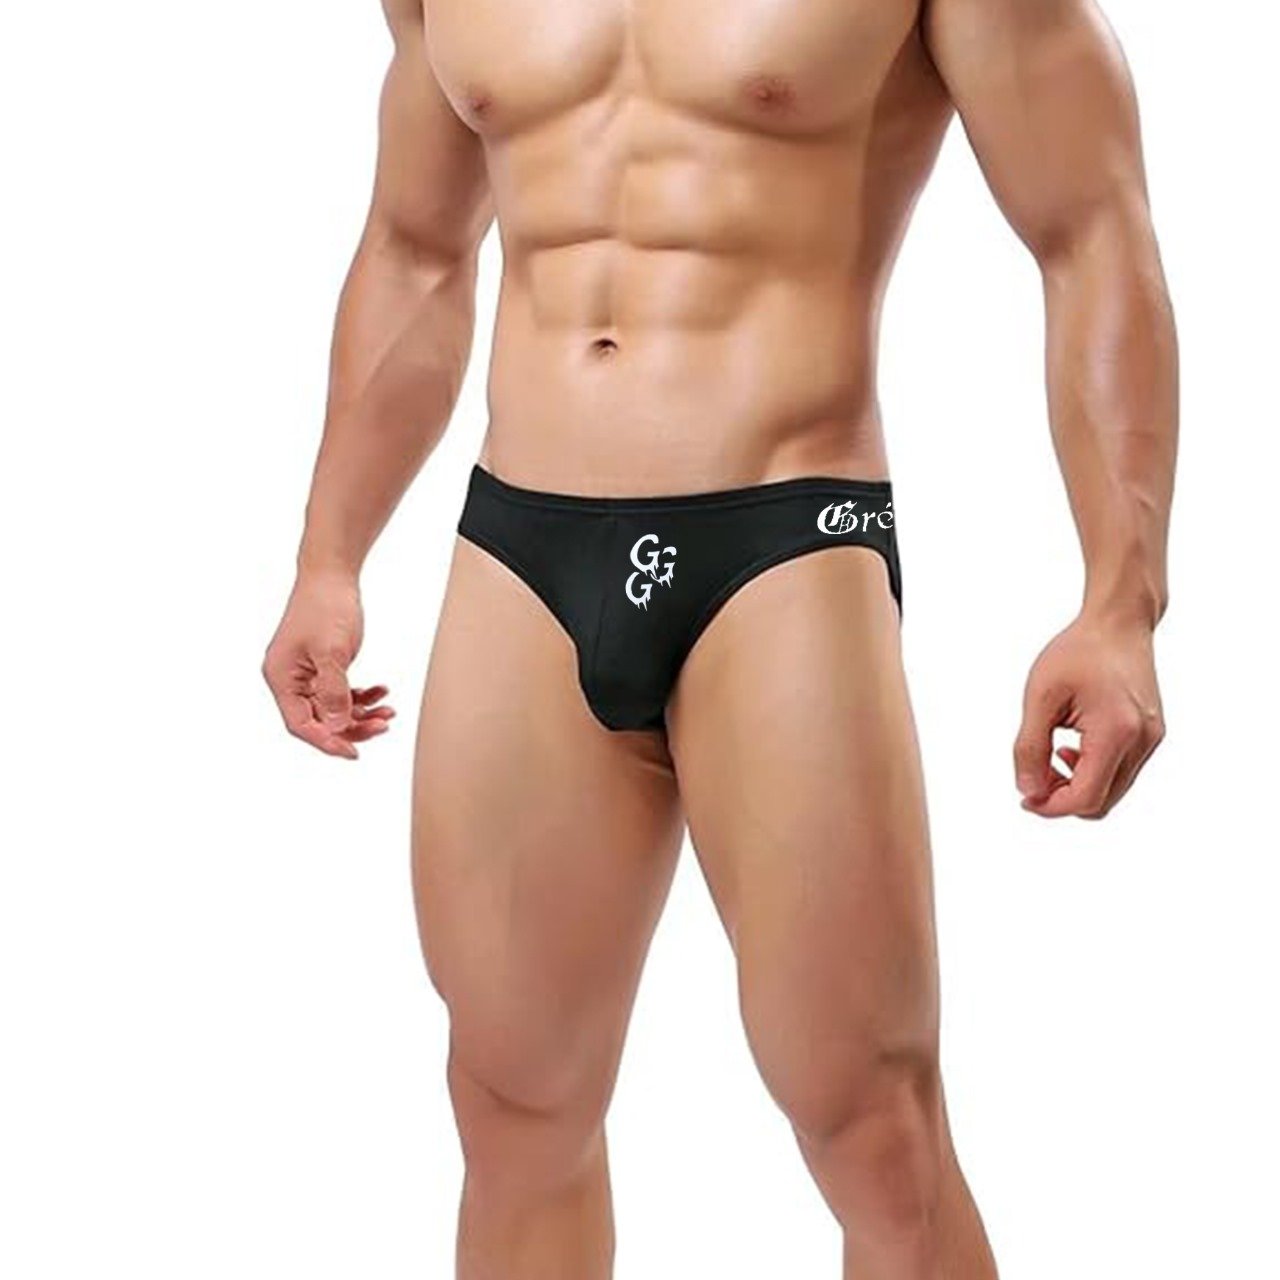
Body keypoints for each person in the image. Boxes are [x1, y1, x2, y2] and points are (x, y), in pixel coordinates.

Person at [263, 0, 1177, 1274]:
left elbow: (1088, 230)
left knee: (870, 1125)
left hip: (781, 536)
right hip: (522, 542)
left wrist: (1119, 602)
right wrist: (327, 554)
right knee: (513, 1104)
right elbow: (414, 247)